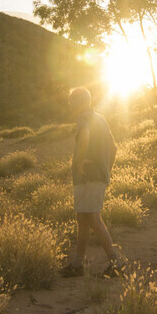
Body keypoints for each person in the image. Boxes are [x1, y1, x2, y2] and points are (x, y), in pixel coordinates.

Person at [61, 86, 121, 278]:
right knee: (83, 218)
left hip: (87, 176)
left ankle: (117, 263)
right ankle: (77, 264)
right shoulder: (101, 119)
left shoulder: (83, 118)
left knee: (93, 218)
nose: (70, 105)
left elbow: (85, 135)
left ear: (77, 103)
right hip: (97, 175)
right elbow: (114, 148)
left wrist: (79, 162)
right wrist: (106, 171)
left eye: (71, 102)